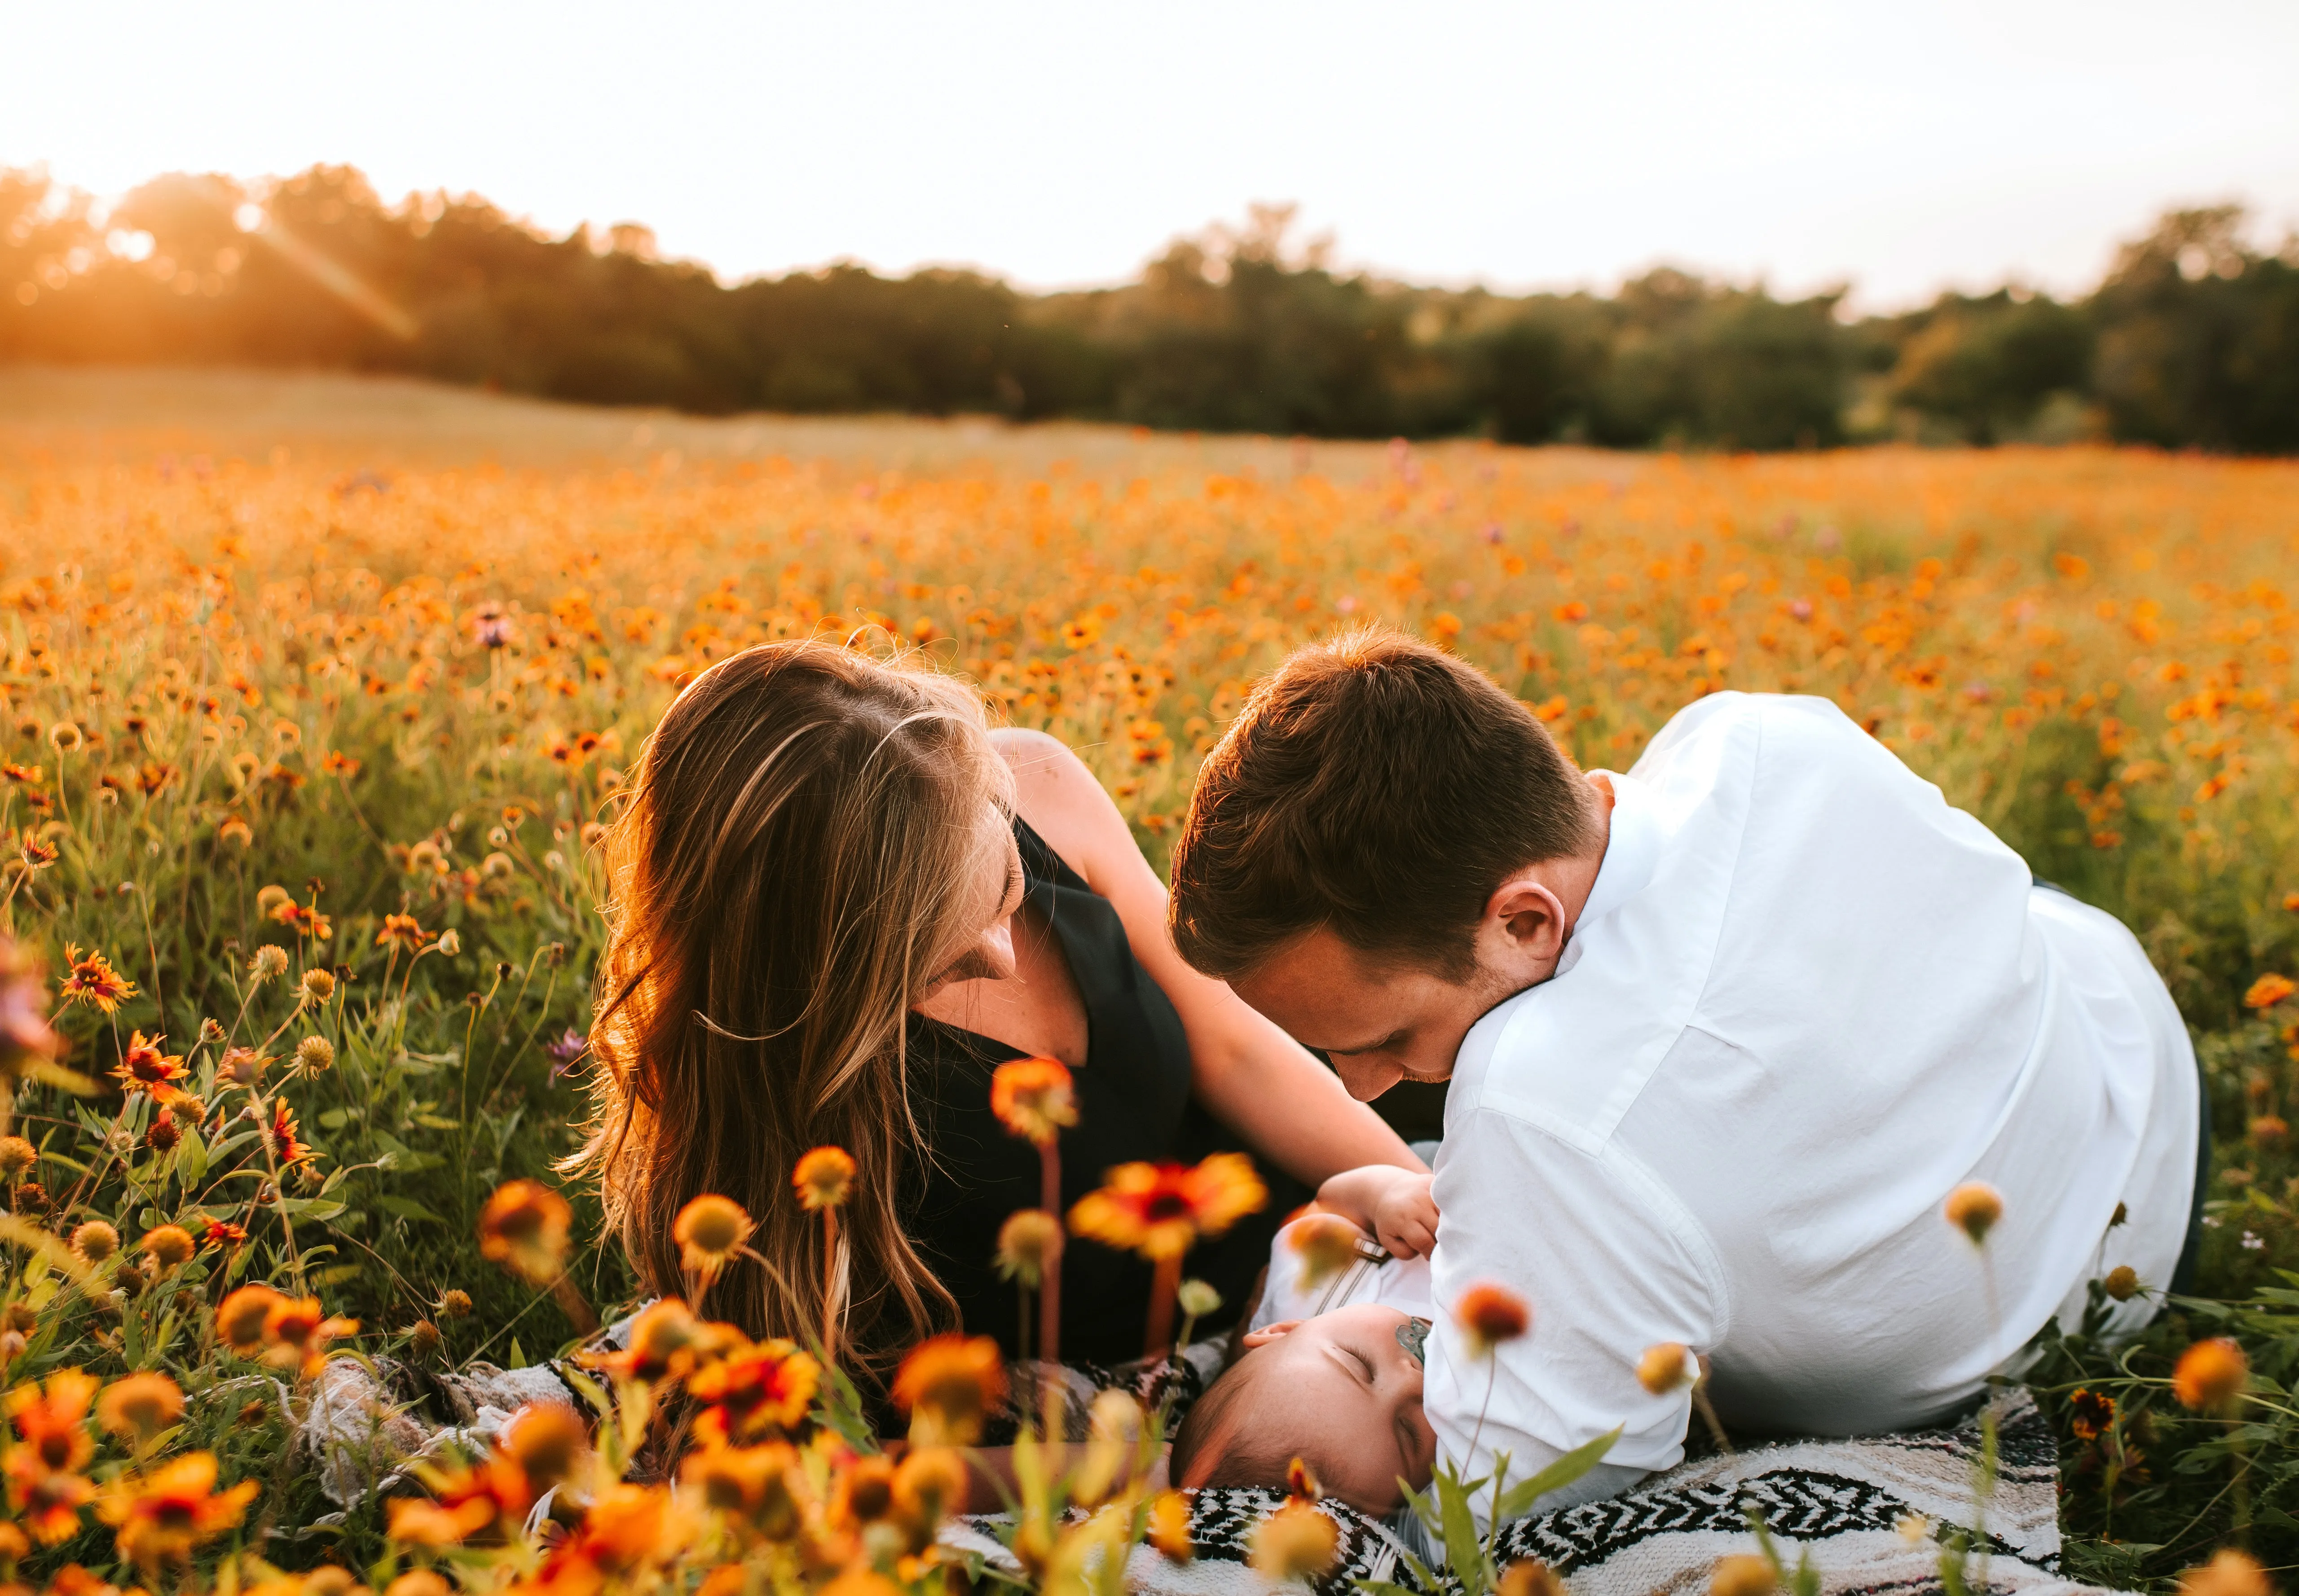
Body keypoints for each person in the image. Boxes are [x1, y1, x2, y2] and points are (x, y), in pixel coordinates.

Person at [1165, 630, 2201, 1522]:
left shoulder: (1548, 1106)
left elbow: (1522, 1491)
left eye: (1382, 1037)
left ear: (1526, 919)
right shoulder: (1756, 732)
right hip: (2125, 1038)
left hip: (2098, 1292)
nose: (1359, 1091)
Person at [567, 640, 1421, 1419]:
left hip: (1308, 1239)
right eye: (930, 962)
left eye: (1010, 886)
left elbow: (1232, 1043)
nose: (1006, 958)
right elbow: (816, 1425)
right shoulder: (775, 1098)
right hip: (1138, 1379)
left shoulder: (1041, 786)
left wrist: (1427, 1204)